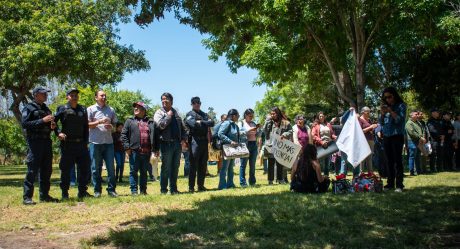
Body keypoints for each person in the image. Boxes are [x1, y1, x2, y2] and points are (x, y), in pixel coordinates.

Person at [21, 86, 59, 205]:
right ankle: (27, 197)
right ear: (36, 94)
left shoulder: (46, 109)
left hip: (46, 141)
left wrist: (52, 126)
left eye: (46, 93)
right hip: (34, 142)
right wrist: (42, 121)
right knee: (32, 170)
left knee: (47, 170)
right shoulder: (29, 107)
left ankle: (44, 195)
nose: (46, 95)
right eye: (43, 93)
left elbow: (49, 125)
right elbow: (25, 124)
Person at [54, 88, 92, 200]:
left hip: (81, 144)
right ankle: (65, 193)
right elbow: (53, 122)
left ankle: (82, 192)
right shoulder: (62, 108)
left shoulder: (83, 109)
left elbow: (86, 127)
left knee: (84, 169)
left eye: (76, 95)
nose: (75, 97)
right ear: (67, 97)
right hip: (67, 144)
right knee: (66, 170)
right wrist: (58, 133)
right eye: (72, 95)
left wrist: (86, 141)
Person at [121, 102, 159, 195]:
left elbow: (156, 137)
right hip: (134, 151)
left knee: (144, 172)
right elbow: (123, 135)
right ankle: (134, 191)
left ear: (144, 110)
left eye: (138, 107)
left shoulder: (151, 122)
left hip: (147, 152)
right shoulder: (129, 121)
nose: (135, 109)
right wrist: (127, 148)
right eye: (135, 107)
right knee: (133, 172)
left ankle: (143, 191)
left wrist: (156, 149)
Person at [154, 93, 188, 194]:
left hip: (177, 144)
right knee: (166, 167)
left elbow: (183, 128)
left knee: (175, 167)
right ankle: (163, 190)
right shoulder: (159, 112)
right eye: (163, 100)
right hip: (166, 144)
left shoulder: (176, 112)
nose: (164, 101)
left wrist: (183, 138)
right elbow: (160, 126)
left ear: (171, 101)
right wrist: (168, 116)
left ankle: (174, 189)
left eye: (166, 99)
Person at [87, 89, 118, 198]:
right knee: (95, 168)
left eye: (105, 95)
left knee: (110, 168)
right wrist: (99, 121)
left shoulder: (111, 110)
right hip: (95, 143)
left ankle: (111, 190)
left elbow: (115, 126)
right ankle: (97, 191)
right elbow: (87, 125)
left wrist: (112, 127)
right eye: (101, 96)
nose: (104, 97)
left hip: (108, 143)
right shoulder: (90, 109)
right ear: (96, 97)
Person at [379, 87, 407, 192]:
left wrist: (391, 111)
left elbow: (399, 120)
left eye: (389, 97)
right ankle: (390, 184)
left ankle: (399, 185)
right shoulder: (385, 107)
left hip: (397, 136)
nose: (387, 99)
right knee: (389, 161)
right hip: (386, 136)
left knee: (397, 160)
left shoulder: (401, 106)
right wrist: (382, 114)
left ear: (394, 95)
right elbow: (381, 123)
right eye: (385, 98)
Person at [185, 96, 215, 192]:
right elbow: (193, 124)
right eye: (194, 102)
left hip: (204, 141)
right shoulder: (190, 114)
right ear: (192, 104)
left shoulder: (204, 114)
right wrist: (205, 122)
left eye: (198, 102)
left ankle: (200, 186)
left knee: (203, 165)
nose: (197, 104)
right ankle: (191, 187)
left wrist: (201, 122)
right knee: (193, 165)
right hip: (195, 141)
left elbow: (212, 122)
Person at [263, 107, 293, 184]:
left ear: (278, 113)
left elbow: (290, 131)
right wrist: (267, 121)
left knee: (280, 163)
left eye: (274, 113)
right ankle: (270, 180)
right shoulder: (269, 122)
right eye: (271, 114)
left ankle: (280, 179)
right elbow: (264, 131)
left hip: (280, 145)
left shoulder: (285, 122)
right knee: (271, 163)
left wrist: (284, 134)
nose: (272, 115)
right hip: (270, 145)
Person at [217, 109, 241, 189]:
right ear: (233, 116)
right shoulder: (226, 123)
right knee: (224, 167)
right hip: (226, 148)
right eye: (238, 115)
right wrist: (230, 141)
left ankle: (230, 184)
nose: (238, 117)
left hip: (233, 149)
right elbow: (220, 134)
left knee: (231, 167)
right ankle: (222, 185)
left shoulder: (234, 125)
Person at [238, 108, 261, 187]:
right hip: (245, 145)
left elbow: (257, 135)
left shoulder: (254, 123)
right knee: (243, 164)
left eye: (252, 116)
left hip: (253, 144)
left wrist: (259, 129)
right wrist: (247, 132)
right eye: (250, 116)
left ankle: (252, 182)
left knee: (252, 165)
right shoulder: (241, 123)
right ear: (245, 115)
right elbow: (238, 133)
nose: (251, 117)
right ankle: (243, 182)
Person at [311, 111, 337, 176]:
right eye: (320, 116)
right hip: (320, 146)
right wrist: (321, 142)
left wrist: (335, 137)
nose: (321, 117)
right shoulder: (315, 125)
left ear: (324, 117)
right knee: (319, 163)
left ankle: (326, 178)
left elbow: (331, 134)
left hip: (328, 146)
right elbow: (313, 135)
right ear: (318, 117)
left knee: (327, 164)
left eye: (322, 116)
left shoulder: (328, 124)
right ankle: (318, 177)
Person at [405, 110, 426, 176]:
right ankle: (412, 172)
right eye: (416, 114)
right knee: (412, 157)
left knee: (418, 156)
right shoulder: (409, 123)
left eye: (417, 114)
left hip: (419, 141)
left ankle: (419, 171)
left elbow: (422, 130)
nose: (417, 115)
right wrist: (420, 137)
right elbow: (412, 133)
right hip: (412, 141)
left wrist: (422, 137)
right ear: (411, 115)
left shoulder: (418, 122)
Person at [358, 107, 378, 173]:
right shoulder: (360, 119)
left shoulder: (369, 120)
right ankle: (361, 173)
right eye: (367, 112)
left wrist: (374, 128)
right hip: (363, 140)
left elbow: (371, 130)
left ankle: (370, 173)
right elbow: (360, 131)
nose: (369, 113)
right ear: (363, 112)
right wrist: (370, 127)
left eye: (369, 112)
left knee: (370, 157)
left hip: (370, 139)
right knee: (362, 157)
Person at [427, 108, 445, 173]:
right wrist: (440, 136)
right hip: (433, 140)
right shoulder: (430, 121)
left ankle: (439, 167)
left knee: (440, 154)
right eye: (437, 112)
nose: (438, 113)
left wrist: (443, 135)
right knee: (433, 155)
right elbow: (432, 130)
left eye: (438, 112)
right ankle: (432, 168)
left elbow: (442, 129)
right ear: (433, 113)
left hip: (440, 140)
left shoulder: (440, 120)